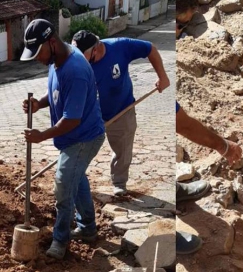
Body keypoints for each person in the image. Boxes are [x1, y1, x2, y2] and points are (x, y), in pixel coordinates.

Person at [19, 19, 106, 260]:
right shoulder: (58, 57)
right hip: (73, 136)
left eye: (38, 52)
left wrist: (41, 136)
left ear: (52, 42)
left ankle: (60, 239)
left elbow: (71, 120)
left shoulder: (75, 70)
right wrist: (39, 104)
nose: (37, 58)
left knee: (63, 185)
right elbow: (57, 91)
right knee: (76, 180)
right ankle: (87, 228)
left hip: (83, 137)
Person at [71, 30, 170, 196]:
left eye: (82, 54)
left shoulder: (120, 46)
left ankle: (119, 182)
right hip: (90, 114)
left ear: (95, 49)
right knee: (79, 149)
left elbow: (150, 48)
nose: (77, 58)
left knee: (123, 149)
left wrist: (163, 76)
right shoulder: (75, 63)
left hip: (122, 110)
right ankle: (74, 179)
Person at [175, 101, 243, 254]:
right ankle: (164, 233)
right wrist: (223, 146)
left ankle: (172, 190)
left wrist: (222, 145)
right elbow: (182, 125)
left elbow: (181, 122)